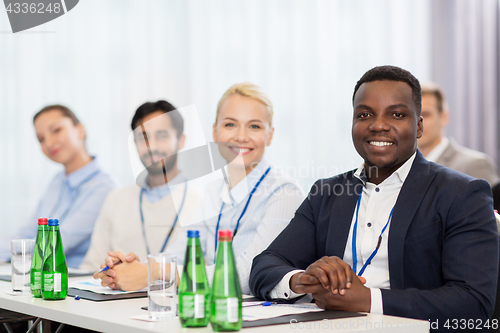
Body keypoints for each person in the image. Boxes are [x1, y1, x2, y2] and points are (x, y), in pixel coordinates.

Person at [249, 66, 498, 329]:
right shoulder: (326, 192)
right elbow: (265, 265)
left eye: (397, 114)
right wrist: (303, 280)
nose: (378, 125)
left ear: (419, 126)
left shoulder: (462, 194)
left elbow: (473, 304)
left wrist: (368, 300)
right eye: (365, 114)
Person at [94, 82, 305, 294]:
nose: (241, 136)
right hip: (219, 311)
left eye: (254, 126)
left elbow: (249, 274)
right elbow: (179, 252)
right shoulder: (215, 191)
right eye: (230, 124)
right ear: (215, 132)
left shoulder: (284, 193)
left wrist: (154, 272)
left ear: (270, 135)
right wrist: (131, 269)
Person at [79, 101, 203, 271]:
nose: (151, 146)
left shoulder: (202, 203)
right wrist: (106, 273)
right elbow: (91, 268)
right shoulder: (116, 199)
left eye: (162, 136)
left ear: (181, 141)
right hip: (117, 297)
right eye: (142, 137)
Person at [0, 105, 117, 268]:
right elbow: (27, 231)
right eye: (41, 139)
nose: (48, 143)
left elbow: (57, 242)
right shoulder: (57, 182)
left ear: (80, 130)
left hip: (74, 281)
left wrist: (11, 251)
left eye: (56, 130)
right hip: (42, 275)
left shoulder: (103, 188)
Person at [417, 82, 499, 185]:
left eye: (425, 115)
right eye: (412, 115)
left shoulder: (474, 165)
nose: (417, 123)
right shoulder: (402, 169)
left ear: (444, 117)